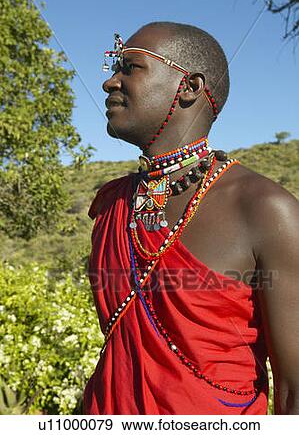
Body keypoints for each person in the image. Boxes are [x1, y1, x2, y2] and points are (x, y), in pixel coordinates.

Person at [83, 22, 299, 415]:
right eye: (114, 69)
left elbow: (294, 390)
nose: (109, 83)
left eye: (130, 68)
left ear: (190, 87)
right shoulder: (111, 203)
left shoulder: (266, 209)